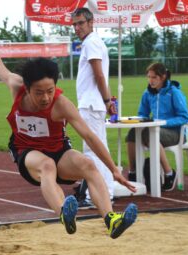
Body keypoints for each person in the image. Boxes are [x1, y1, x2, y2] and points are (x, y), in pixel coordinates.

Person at [0, 7, 137, 239]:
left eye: (50, 91)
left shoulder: (61, 104)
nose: (45, 98)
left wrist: (113, 169)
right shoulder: (16, 87)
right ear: (27, 88)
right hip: (27, 152)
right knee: (47, 166)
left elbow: (90, 136)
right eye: (39, 92)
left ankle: (111, 220)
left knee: (87, 164)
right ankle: (64, 212)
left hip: (58, 151)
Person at [71, 7, 116, 208]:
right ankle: (105, 193)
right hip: (92, 104)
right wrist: (106, 101)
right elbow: (99, 76)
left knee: (93, 151)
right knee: (98, 149)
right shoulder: (93, 42)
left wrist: (107, 101)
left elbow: (99, 75)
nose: (77, 27)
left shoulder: (91, 43)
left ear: (91, 22)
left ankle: (97, 195)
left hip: (91, 105)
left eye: (80, 23)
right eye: (74, 24)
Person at [126, 62, 188, 191]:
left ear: (163, 77)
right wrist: (143, 120)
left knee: (151, 135)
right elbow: (142, 114)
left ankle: (169, 173)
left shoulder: (174, 92)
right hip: (155, 130)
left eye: (154, 77)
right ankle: (133, 172)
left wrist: (163, 123)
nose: (151, 80)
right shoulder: (147, 93)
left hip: (175, 133)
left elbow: (184, 117)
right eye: (149, 77)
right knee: (132, 134)